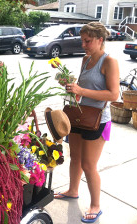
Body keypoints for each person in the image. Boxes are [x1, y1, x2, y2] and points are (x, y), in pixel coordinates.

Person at [54, 22, 119, 223]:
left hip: (97, 120)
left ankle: (95, 205)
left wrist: (81, 91)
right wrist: (72, 86)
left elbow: (113, 94)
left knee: (89, 165)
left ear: (100, 40)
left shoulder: (109, 62)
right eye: (82, 40)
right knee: (74, 157)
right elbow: (82, 90)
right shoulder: (85, 59)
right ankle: (73, 190)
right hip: (78, 116)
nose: (83, 45)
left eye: (87, 41)